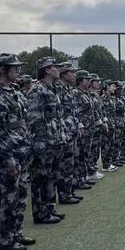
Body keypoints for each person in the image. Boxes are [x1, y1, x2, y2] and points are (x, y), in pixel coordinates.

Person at [0, 53, 35, 250]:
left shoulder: (14, 92)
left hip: (21, 149)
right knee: (6, 198)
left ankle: (16, 233)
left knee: (20, 194)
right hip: (7, 154)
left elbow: (23, 122)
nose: (18, 71)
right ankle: (5, 238)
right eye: (14, 68)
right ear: (2, 70)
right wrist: (7, 158)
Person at [26, 57, 66, 224]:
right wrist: (40, 143)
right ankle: (40, 213)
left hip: (54, 139)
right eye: (55, 66)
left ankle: (49, 209)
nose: (58, 69)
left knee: (52, 177)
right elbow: (34, 119)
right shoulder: (38, 90)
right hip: (44, 142)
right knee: (41, 178)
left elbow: (57, 116)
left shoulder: (52, 88)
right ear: (47, 70)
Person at [54, 62, 82, 206]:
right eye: (71, 72)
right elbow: (58, 112)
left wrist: (77, 125)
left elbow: (73, 110)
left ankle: (69, 191)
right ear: (63, 73)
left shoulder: (68, 89)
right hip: (64, 130)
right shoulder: (58, 88)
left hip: (71, 129)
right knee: (64, 164)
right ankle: (64, 194)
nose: (74, 74)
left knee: (71, 162)